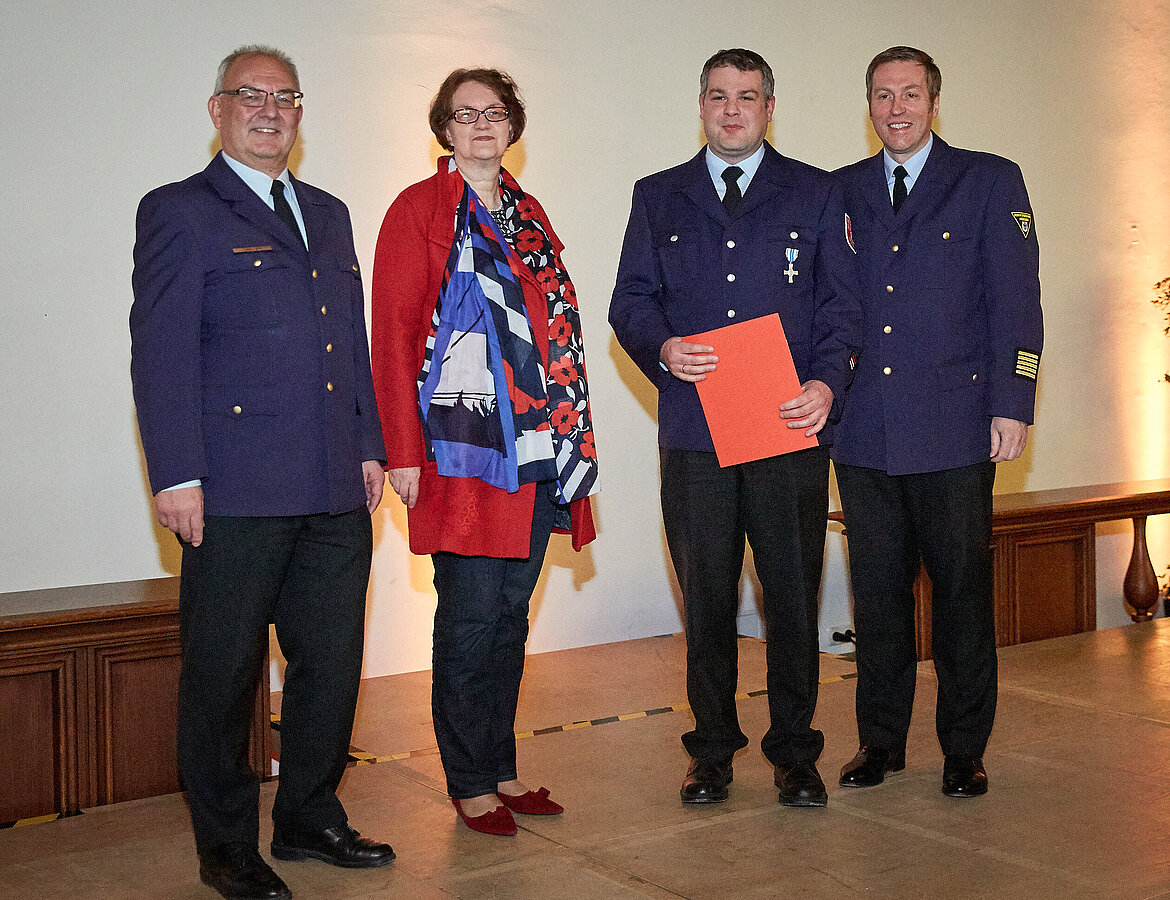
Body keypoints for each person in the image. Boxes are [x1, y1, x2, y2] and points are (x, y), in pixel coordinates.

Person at [130, 45, 394, 900]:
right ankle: (226, 848)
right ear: (218, 110)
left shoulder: (330, 212)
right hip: (235, 490)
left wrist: (368, 443)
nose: (270, 110)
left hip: (331, 484)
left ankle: (309, 814)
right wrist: (176, 473)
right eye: (251, 95)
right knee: (223, 675)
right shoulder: (180, 211)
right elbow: (161, 353)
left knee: (331, 662)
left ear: (300, 113)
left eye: (285, 97)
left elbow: (347, 342)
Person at [609, 49, 860, 808]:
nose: (731, 110)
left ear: (769, 108)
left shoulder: (816, 192)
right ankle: (711, 752)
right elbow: (630, 301)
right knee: (708, 599)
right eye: (718, 96)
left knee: (791, 595)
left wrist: (827, 383)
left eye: (747, 97)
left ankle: (795, 754)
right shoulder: (658, 196)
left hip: (786, 426)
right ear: (700, 106)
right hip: (696, 432)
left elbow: (840, 306)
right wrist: (662, 347)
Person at [370, 68, 598, 837]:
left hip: (534, 448)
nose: (480, 125)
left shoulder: (528, 213)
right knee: (470, 616)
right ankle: (469, 781)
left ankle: (501, 768)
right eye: (464, 114)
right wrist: (401, 450)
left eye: (493, 113)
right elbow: (393, 337)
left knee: (508, 618)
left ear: (512, 126)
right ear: (445, 128)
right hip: (461, 450)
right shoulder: (419, 210)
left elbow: (555, 328)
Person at [832, 46, 1042, 798]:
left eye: (910, 94)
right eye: (883, 95)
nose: (897, 109)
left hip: (956, 428)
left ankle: (963, 749)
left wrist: (1013, 403)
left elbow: (1017, 302)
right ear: (869, 105)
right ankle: (880, 743)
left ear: (934, 102)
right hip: (865, 432)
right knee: (877, 599)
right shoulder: (842, 190)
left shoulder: (988, 180)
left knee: (961, 598)